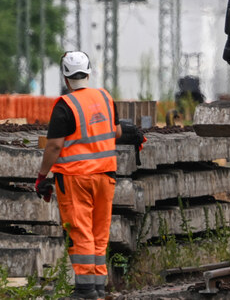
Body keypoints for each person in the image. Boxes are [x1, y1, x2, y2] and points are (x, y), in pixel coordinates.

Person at [34, 51, 138, 299]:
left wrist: (41, 176)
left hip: (76, 178)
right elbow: (111, 131)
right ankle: (98, 287)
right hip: (106, 176)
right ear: (89, 71)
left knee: (80, 232)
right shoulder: (105, 97)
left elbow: (54, 146)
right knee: (99, 231)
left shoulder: (64, 105)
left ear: (65, 77)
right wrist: (133, 132)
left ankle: (84, 290)